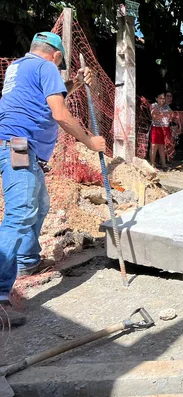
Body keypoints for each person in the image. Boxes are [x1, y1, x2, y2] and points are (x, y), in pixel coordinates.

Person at [0, 32, 106, 326]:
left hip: (16, 144)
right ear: (57, 56)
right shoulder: (47, 67)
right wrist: (89, 142)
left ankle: (27, 261)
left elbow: (50, 96)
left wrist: (74, 83)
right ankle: (0, 295)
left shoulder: (20, 66)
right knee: (21, 212)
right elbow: (59, 112)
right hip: (19, 145)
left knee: (39, 203)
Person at [150, 92, 172, 169]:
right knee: (154, 146)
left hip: (164, 128)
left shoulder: (167, 106)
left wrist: (164, 114)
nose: (162, 100)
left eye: (163, 98)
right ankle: (152, 164)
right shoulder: (153, 105)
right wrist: (163, 114)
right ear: (156, 99)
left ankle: (164, 164)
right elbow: (155, 116)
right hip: (156, 128)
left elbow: (171, 115)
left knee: (162, 146)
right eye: (160, 98)